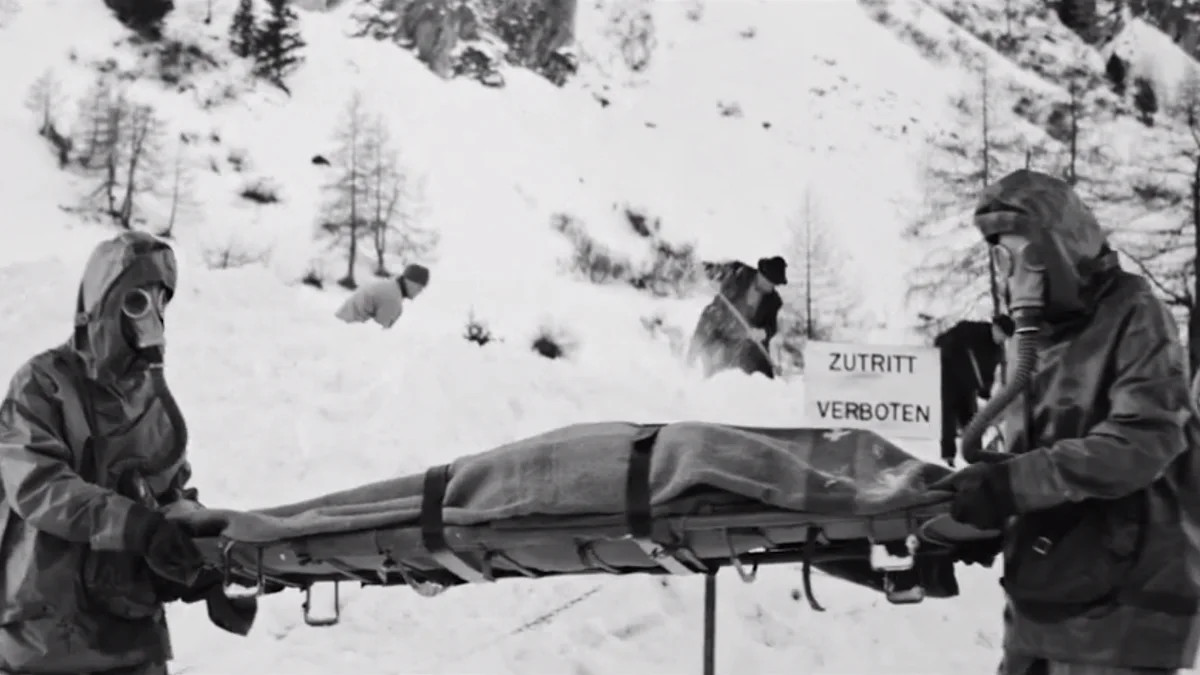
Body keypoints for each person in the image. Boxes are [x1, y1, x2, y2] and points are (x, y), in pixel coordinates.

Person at [931, 169, 1200, 674]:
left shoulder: (1135, 315)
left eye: (1021, 255)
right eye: (1001, 258)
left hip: (1121, 614)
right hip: (1043, 599)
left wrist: (1012, 485)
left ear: (1057, 250)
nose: (1012, 274)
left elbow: (1141, 442)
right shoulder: (1029, 342)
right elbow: (1032, 460)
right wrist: (987, 513)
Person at [0, 231, 223, 675]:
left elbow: (168, 491)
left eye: (161, 302)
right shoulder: (43, 382)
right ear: (103, 301)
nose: (152, 317)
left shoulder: (153, 401)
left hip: (130, 630)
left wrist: (195, 550)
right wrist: (136, 526)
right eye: (137, 300)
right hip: (48, 636)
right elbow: (37, 484)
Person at [686, 256, 786, 379]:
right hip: (715, 327)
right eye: (769, 282)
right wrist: (702, 271)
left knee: (757, 376)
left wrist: (763, 333)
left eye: (774, 284)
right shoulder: (739, 273)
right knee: (704, 362)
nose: (771, 287)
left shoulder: (774, 301)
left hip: (742, 345)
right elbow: (714, 270)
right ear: (761, 274)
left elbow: (771, 326)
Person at [933, 317, 1009, 466]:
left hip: (969, 385)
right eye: (1002, 334)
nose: (1002, 339)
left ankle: (976, 456)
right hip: (951, 377)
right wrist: (951, 349)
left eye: (1005, 338)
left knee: (971, 420)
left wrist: (985, 393)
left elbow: (988, 374)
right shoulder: (971, 330)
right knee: (948, 414)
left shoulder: (996, 350)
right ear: (995, 328)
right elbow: (941, 342)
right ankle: (948, 455)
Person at [334, 263, 430, 329]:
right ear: (409, 282)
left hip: (341, 323)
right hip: (347, 331)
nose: (419, 291)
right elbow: (380, 335)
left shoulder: (390, 285)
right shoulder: (392, 298)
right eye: (419, 287)